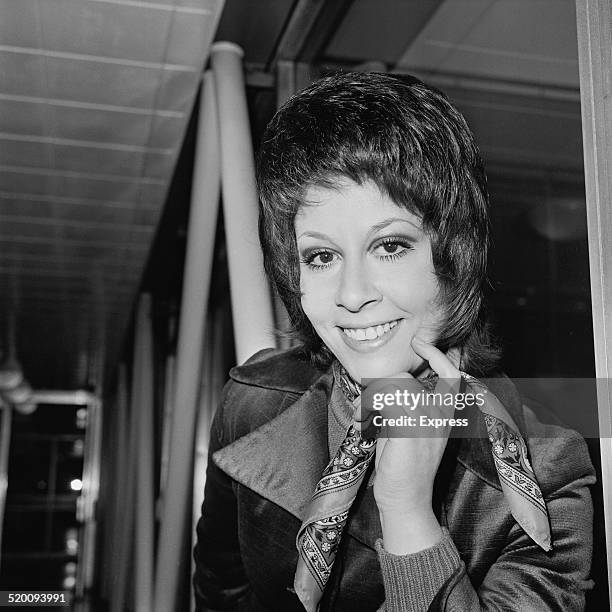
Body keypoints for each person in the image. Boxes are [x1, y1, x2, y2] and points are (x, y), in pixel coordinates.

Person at [193, 72, 595, 611]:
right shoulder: (255, 400)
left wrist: (407, 514)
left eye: (388, 246)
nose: (352, 294)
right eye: (321, 256)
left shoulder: (545, 471)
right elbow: (222, 593)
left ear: (456, 255)